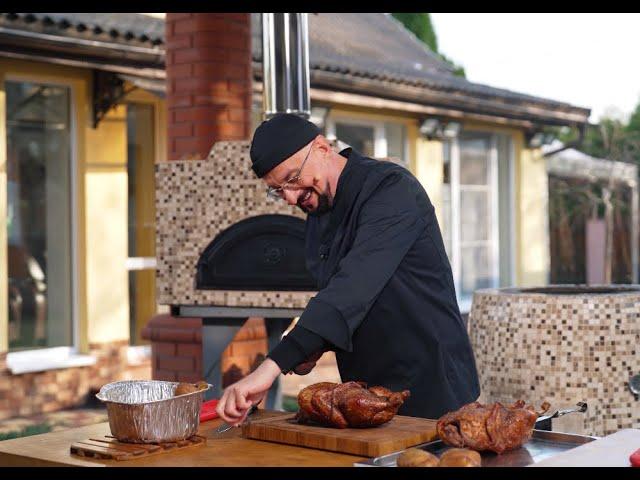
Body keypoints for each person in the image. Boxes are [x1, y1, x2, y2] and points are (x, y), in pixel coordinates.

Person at [215, 113, 480, 426]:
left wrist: (271, 367)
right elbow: (342, 300)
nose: (289, 197)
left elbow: (352, 290)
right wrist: (312, 347)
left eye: (292, 178)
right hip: (366, 394)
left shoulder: (393, 191)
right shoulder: (320, 213)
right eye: (277, 189)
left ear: (323, 148)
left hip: (432, 387)